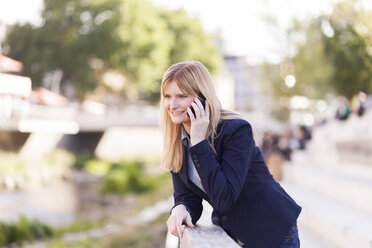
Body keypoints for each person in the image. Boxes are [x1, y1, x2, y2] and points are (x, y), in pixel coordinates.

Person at [160, 61, 301, 248]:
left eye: (182, 96)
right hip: (235, 232)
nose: (172, 104)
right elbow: (187, 196)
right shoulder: (178, 140)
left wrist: (199, 142)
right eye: (167, 96)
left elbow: (224, 198)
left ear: (203, 98)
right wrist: (180, 208)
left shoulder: (236, 130)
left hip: (273, 231)